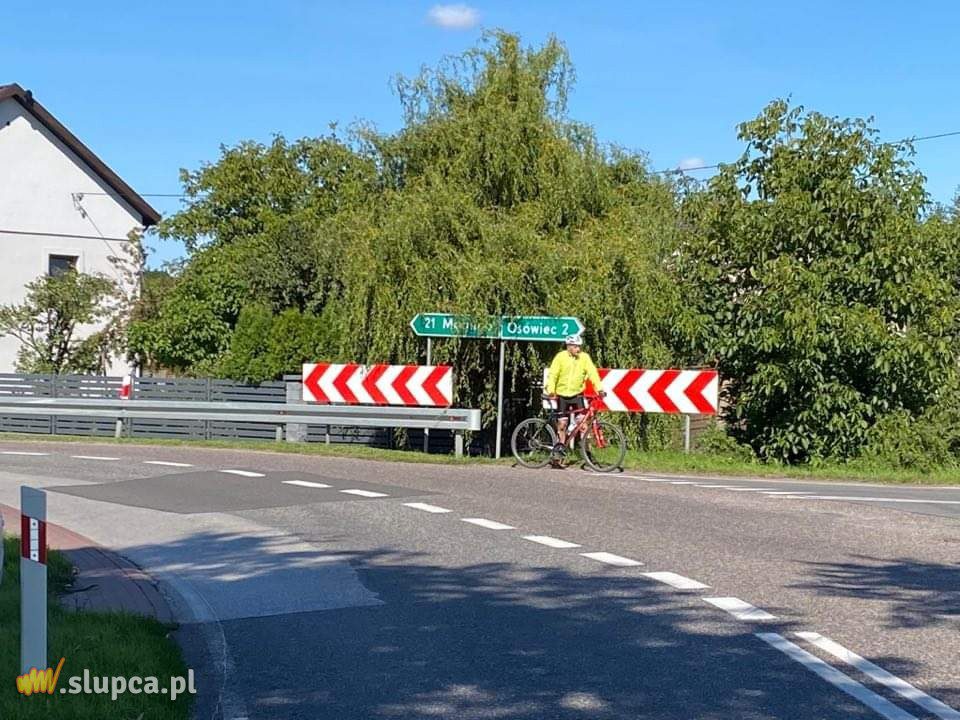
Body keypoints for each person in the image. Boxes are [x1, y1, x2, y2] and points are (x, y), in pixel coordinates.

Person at [545, 334, 605, 461]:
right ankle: (559, 454)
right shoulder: (560, 357)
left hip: (577, 395)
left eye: (579, 346)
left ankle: (587, 454)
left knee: (583, 425)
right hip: (562, 395)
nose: (578, 349)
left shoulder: (584, 358)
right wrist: (551, 390)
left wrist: (599, 389)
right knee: (562, 425)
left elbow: (592, 373)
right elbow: (553, 374)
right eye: (576, 346)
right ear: (569, 346)